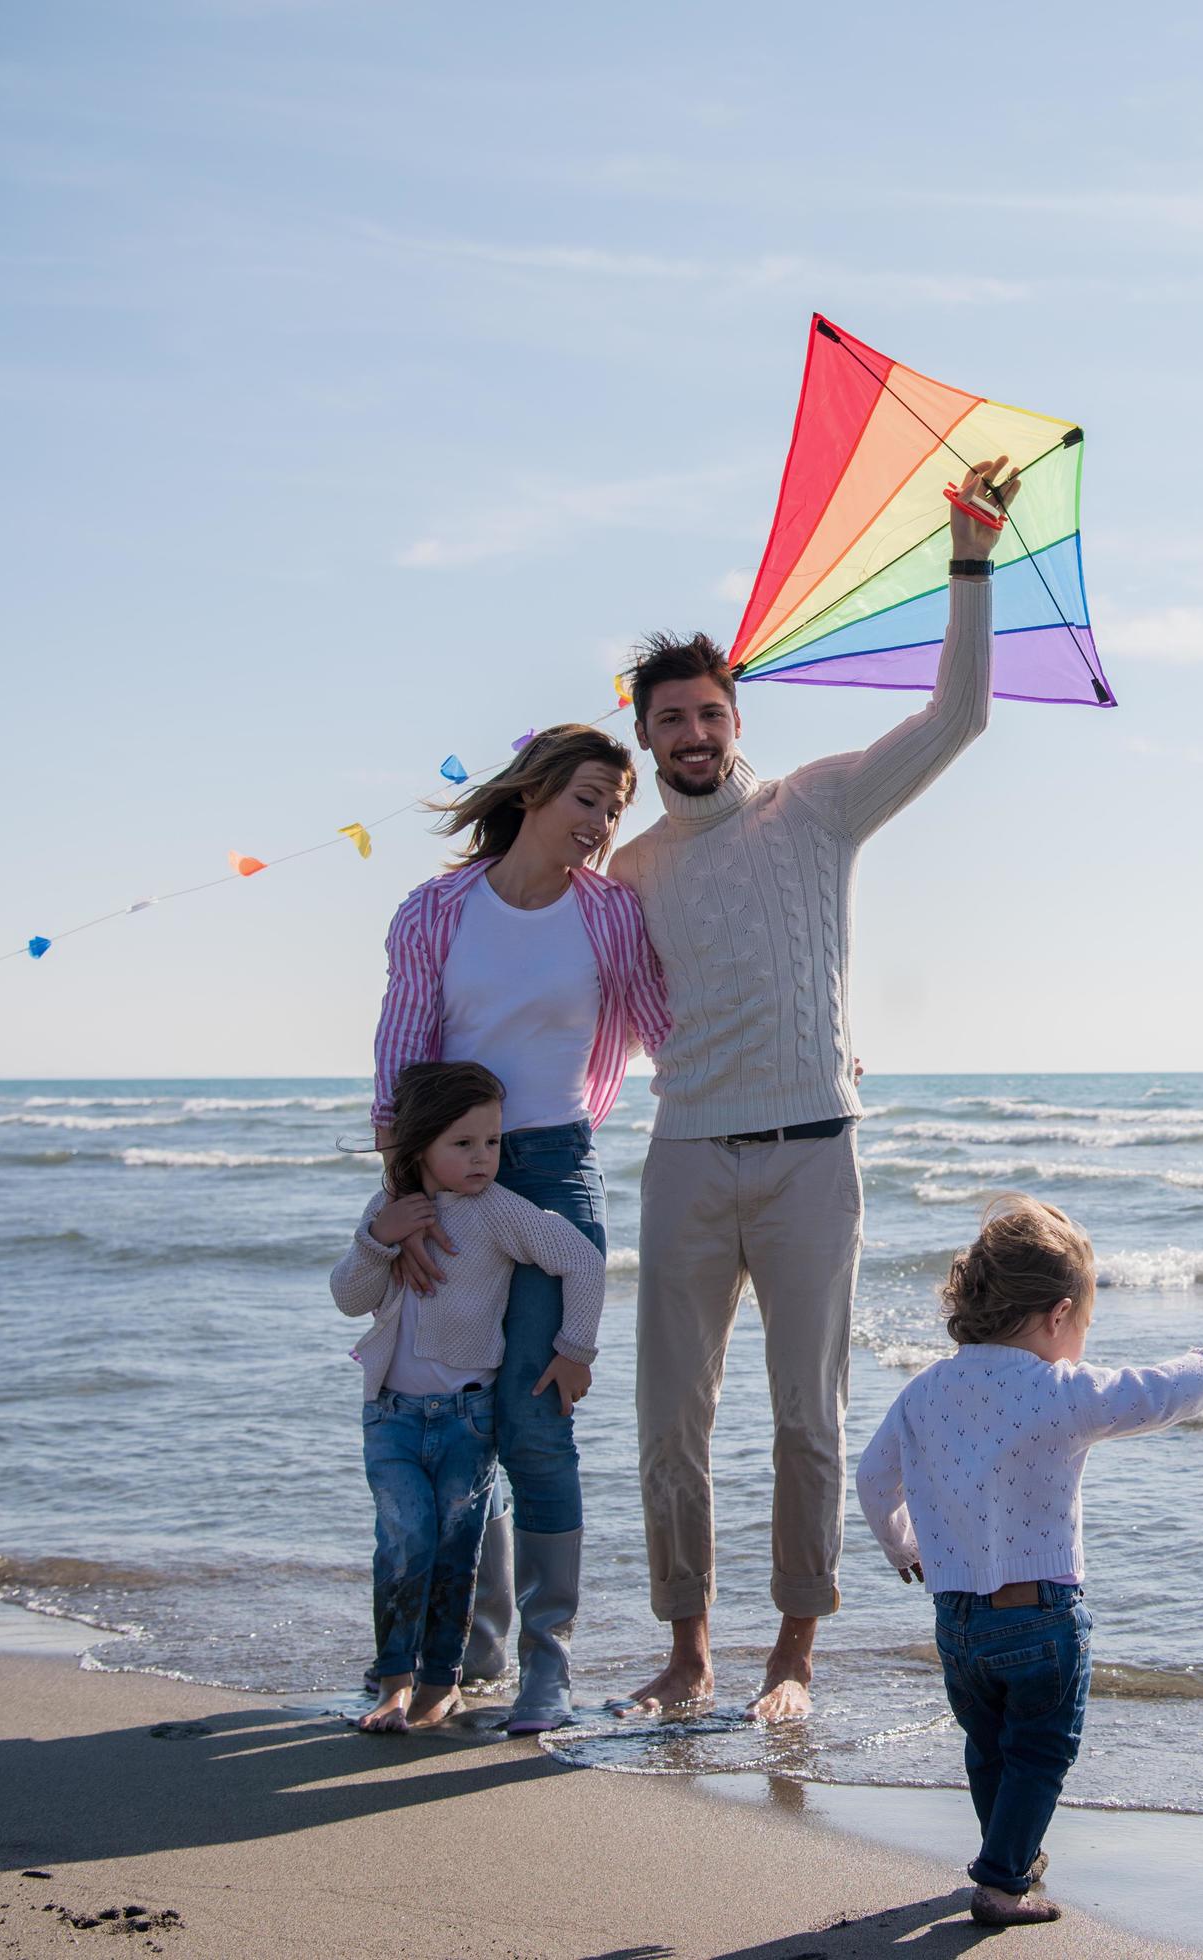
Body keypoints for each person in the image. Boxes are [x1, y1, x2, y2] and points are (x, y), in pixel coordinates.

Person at [608, 455, 1023, 1721]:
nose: (691, 735)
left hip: (811, 1157)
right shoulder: (624, 872)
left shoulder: (821, 808)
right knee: (671, 1426)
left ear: (739, 720)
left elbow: (958, 719)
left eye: (708, 714)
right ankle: (688, 1651)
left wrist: (969, 558)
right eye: (668, 720)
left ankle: (794, 1651)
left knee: (807, 1418)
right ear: (645, 737)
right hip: (686, 1155)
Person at [367, 726, 670, 1732]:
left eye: (614, 809)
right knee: (461, 1414)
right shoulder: (437, 912)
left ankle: (548, 1659)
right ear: (534, 793)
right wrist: (401, 1196)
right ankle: (469, 1648)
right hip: (450, 1176)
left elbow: (664, 1021)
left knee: (539, 1420)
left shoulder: (610, 915)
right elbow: (400, 1063)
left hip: (558, 1174)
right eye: (587, 798)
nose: (599, 824)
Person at [855, 1196, 1203, 1926]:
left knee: (988, 1747)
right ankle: (1002, 1882)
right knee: (1041, 1750)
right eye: (1084, 1327)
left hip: (957, 1623)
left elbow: (873, 1479)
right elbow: (1155, 1393)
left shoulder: (923, 1391)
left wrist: (902, 1544)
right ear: (1056, 1315)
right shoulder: (1057, 1390)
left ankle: (1006, 1856)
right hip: (1039, 1618)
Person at [331, 1062, 607, 1735]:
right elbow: (348, 1298)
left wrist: (575, 1348)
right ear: (419, 1144)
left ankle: (439, 1685)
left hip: (466, 1418)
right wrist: (379, 1240)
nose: (484, 1158)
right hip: (390, 1416)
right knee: (403, 1542)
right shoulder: (387, 1214)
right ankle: (391, 1682)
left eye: (492, 1142)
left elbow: (584, 1260)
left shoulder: (499, 1212)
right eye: (463, 1144)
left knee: (455, 1549)